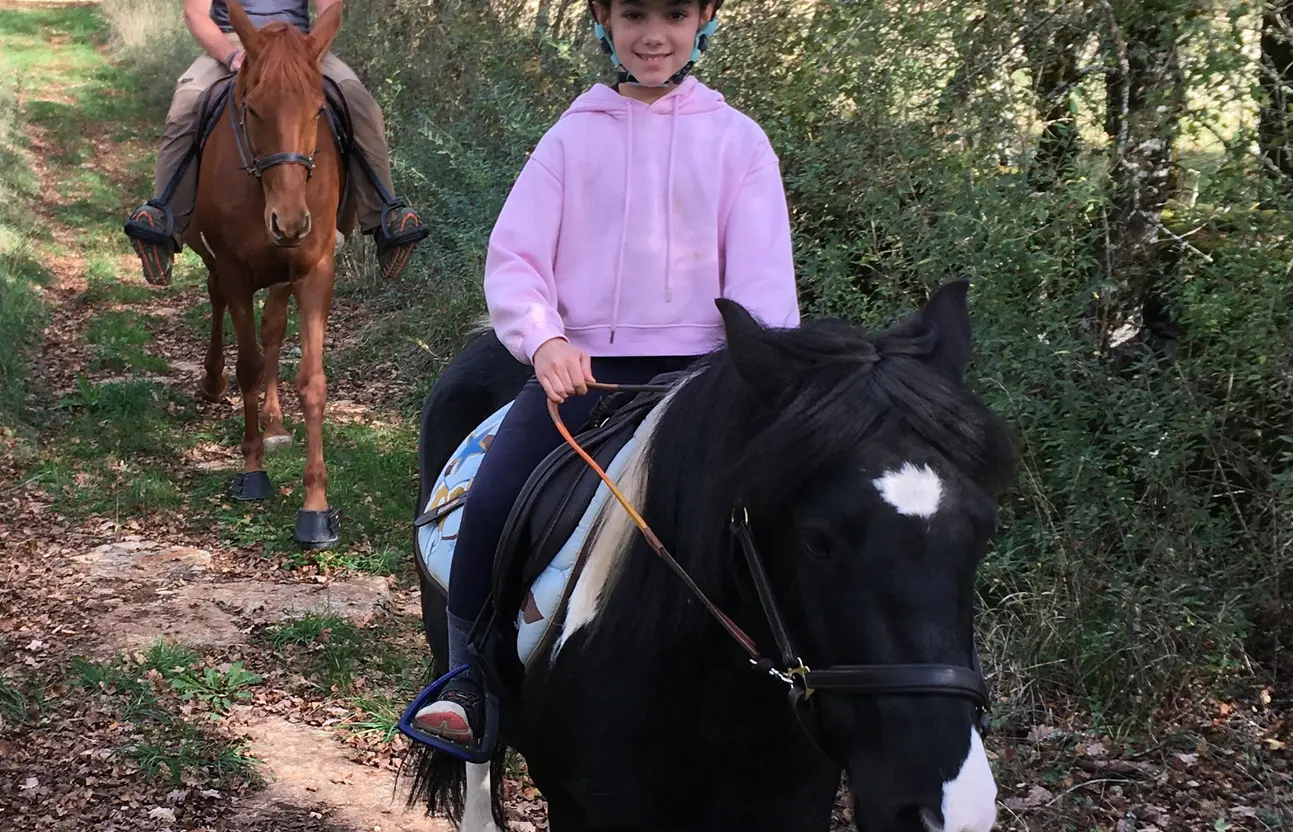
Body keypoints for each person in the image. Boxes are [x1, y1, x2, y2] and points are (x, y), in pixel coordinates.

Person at [412, 0, 801, 745]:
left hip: (707, 382)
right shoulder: (570, 139)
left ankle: (813, 694)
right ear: (602, 19)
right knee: (492, 505)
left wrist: (755, 373)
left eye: (675, 14)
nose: (653, 35)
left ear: (706, 18)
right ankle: (469, 683)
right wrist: (545, 340)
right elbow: (517, 259)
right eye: (633, 14)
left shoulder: (739, 143)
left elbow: (762, 291)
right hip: (583, 376)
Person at [123, 0, 428, 286]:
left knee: (360, 103)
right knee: (186, 106)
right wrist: (232, 55)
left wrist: (306, 57)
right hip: (235, 44)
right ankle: (162, 219)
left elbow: (330, 10)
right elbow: (196, 14)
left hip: (300, 47)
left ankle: (386, 216)